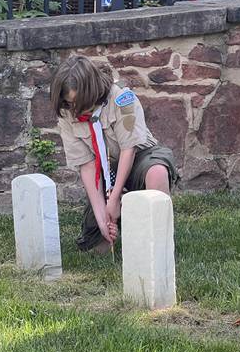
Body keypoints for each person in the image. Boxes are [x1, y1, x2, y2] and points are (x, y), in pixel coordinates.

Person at [50, 54, 178, 253]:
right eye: (68, 103)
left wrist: (115, 198)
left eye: (78, 103)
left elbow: (129, 149)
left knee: (157, 172)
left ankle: (160, 243)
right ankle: (115, 225)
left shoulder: (121, 99)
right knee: (97, 248)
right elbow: (87, 165)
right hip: (104, 169)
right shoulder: (67, 112)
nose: (73, 109)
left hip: (138, 158)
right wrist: (103, 217)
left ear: (91, 92)